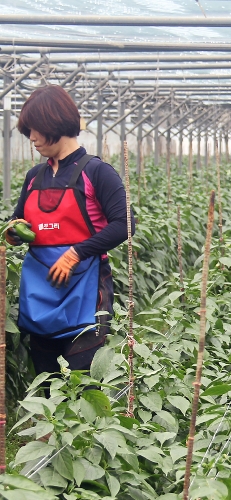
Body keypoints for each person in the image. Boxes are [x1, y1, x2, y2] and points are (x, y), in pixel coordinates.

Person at [7, 84, 133, 380]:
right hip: (41, 291)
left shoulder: (96, 172)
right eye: (28, 133)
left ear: (55, 123)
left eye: (35, 130)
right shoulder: (34, 177)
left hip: (85, 290)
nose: (32, 139)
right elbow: (19, 221)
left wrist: (75, 253)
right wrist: (13, 232)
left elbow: (125, 223)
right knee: (46, 382)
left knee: (85, 381)